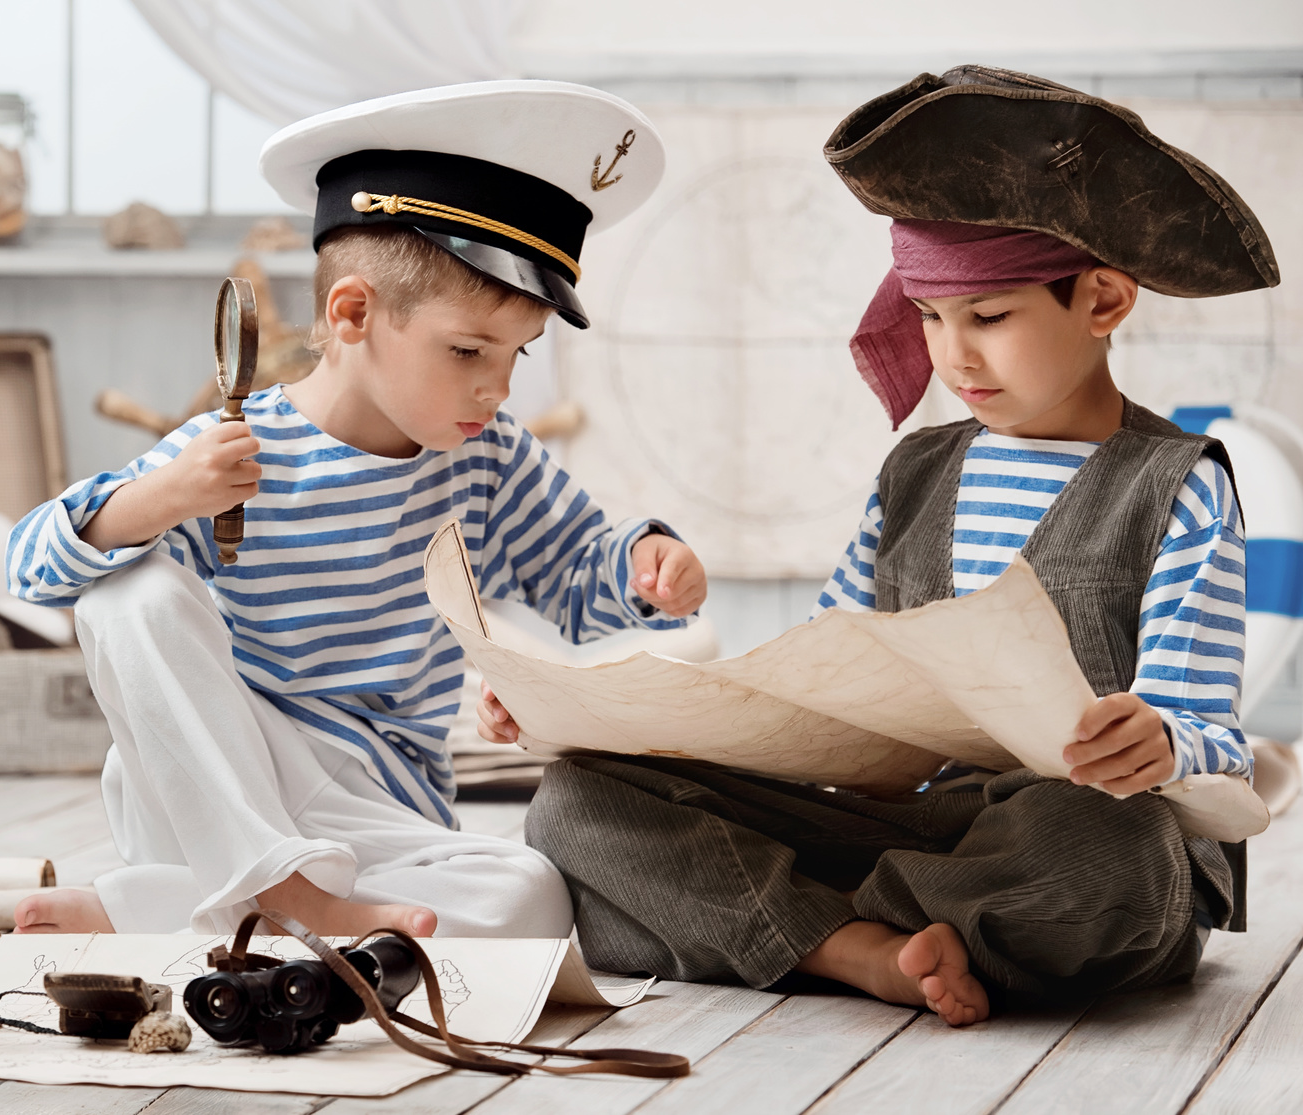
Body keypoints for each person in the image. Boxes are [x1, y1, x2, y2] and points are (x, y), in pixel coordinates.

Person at [515, 65, 1280, 1025]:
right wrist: (615, 710)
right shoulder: (914, 471)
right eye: (929, 317)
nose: (954, 356)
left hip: (1056, 832)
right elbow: (824, 673)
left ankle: (788, 923)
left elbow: (1212, 737)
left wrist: (1159, 742)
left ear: (1103, 300)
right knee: (574, 803)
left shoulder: (1178, 484)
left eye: (989, 317)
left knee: (1109, 861)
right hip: (899, 819)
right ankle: (865, 950)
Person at [5, 81, 707, 940]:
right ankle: (286, 892)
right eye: (467, 351)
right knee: (128, 592)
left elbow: (577, 577)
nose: (496, 386)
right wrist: (161, 498)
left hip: (379, 814)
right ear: (352, 314)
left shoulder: (486, 456)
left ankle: (160, 910)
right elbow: (30, 567)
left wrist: (648, 562)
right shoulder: (233, 447)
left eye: (516, 355)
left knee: (531, 893)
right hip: (227, 785)